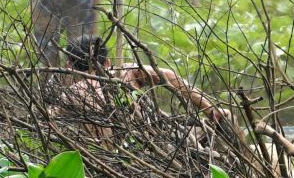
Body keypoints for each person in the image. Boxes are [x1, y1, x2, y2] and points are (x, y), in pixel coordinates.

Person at [58, 34, 227, 124]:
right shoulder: (127, 72)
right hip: (156, 141)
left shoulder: (68, 97)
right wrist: (210, 109)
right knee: (228, 119)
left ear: (68, 66)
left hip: (110, 159)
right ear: (108, 62)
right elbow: (169, 76)